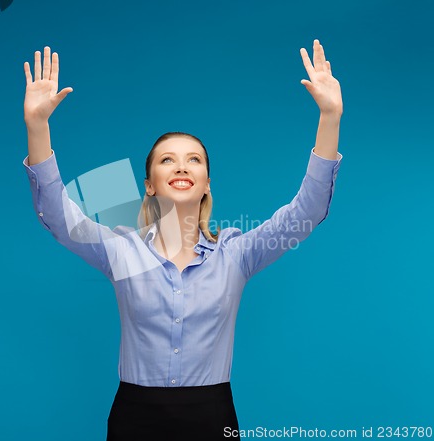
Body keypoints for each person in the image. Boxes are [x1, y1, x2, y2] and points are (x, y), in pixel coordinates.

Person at [22, 39, 343, 441]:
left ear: (207, 184)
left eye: (194, 159)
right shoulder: (122, 251)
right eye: (167, 159)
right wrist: (38, 126)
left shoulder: (237, 254)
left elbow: (307, 212)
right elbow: (56, 214)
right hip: (134, 416)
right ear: (150, 185)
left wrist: (329, 118)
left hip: (212, 416)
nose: (181, 166)